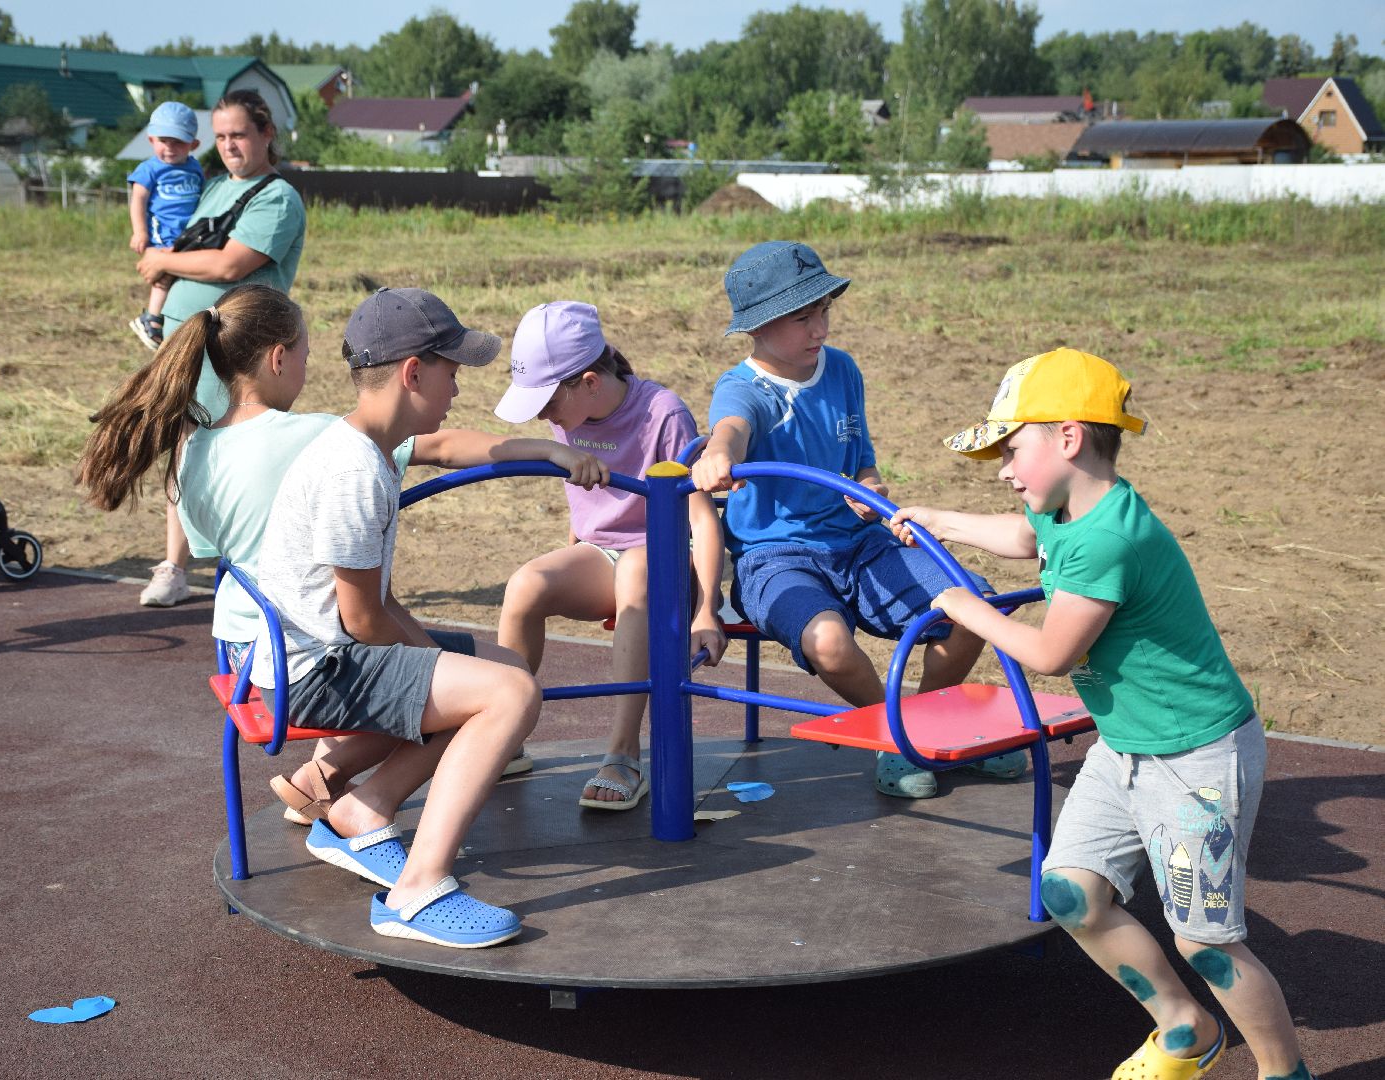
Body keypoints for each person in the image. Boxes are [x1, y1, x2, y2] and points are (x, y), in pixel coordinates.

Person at [889, 347, 1312, 1080]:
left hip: (1196, 758)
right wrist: (934, 518)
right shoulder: (1062, 510)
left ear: (1068, 437)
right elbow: (1024, 538)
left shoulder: (1108, 538)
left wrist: (965, 608)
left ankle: (1286, 1074)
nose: (1003, 469)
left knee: (1206, 944)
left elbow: (1050, 652)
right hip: (1127, 749)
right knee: (1070, 893)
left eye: (1011, 449)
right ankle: (1184, 1027)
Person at [76, 283, 600, 829]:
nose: (306, 369)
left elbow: (220, 553)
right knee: (471, 684)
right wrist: (548, 449)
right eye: (305, 356)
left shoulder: (194, 449)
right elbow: (439, 448)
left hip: (241, 642)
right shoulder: (324, 440)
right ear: (279, 359)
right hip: (312, 643)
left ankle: (323, 780)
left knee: (459, 671)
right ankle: (372, 808)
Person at [248, 285, 555, 948]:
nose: (458, 387)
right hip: (316, 667)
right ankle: (416, 891)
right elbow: (363, 618)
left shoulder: (373, 444)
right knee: (507, 696)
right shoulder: (354, 470)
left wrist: (547, 451)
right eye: (453, 371)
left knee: (500, 671)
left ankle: (365, 806)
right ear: (414, 372)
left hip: (321, 648)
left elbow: (448, 447)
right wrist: (439, 665)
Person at [689, 240, 1025, 799]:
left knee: (974, 607)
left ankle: (927, 727)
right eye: (803, 317)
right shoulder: (745, 387)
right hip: (777, 557)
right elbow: (731, 427)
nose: (819, 327)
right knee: (827, 640)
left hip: (861, 542)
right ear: (760, 326)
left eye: (824, 311)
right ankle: (895, 734)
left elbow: (862, 459)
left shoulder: (841, 369)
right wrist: (718, 453)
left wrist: (872, 489)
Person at [493, 301, 726, 810]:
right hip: (606, 555)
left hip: (667, 560)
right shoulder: (568, 414)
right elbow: (589, 512)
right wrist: (574, 548)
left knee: (639, 572)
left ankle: (623, 754)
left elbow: (703, 519)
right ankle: (501, 732)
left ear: (590, 382)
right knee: (525, 584)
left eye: (548, 400)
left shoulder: (662, 413)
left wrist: (707, 609)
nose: (543, 414)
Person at [133, 88, 305, 608]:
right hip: (189, 342)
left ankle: (250, 569)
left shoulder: (276, 196)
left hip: (241, 348)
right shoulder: (214, 190)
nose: (230, 146)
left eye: (240, 135)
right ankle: (176, 565)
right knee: (185, 448)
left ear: (266, 134)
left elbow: (231, 264)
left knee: (238, 453)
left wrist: (163, 261)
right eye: (223, 136)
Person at [125, 101, 204, 351]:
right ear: (151, 140)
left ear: (194, 145)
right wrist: (140, 232)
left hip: (190, 235)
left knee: (185, 275)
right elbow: (138, 199)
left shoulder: (195, 167)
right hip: (164, 234)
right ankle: (151, 317)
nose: (169, 148)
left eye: (178, 142)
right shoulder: (149, 168)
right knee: (164, 276)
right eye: (163, 140)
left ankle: (174, 319)